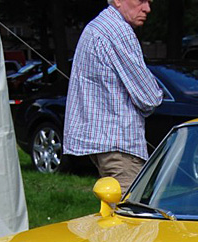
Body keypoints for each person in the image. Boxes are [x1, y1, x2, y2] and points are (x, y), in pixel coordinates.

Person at [64, 0, 162, 192]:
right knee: (130, 217)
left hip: (105, 145)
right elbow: (150, 97)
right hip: (121, 147)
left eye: (149, 2)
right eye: (141, 1)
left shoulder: (97, 26)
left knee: (114, 213)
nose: (147, 8)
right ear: (117, 0)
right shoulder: (118, 31)